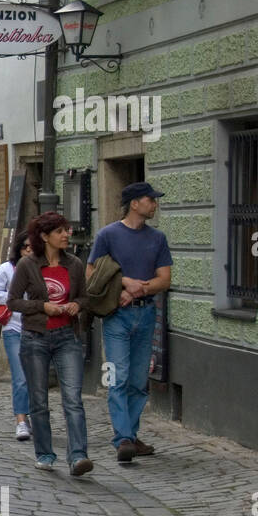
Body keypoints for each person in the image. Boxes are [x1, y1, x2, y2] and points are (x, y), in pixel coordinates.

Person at [87, 182, 173, 463]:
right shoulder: (108, 235)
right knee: (118, 377)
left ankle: (131, 435)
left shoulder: (157, 239)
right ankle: (123, 437)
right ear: (134, 204)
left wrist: (141, 289)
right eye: (151, 200)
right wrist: (123, 283)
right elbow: (92, 274)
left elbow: (165, 279)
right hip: (116, 316)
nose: (155, 204)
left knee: (138, 381)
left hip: (147, 313)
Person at [8, 212, 92, 476]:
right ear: (44, 237)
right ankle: (45, 453)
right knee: (39, 401)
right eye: (60, 231)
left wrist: (77, 304)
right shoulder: (28, 265)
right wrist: (42, 306)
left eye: (66, 230)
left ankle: (78, 456)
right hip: (35, 338)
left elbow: (84, 297)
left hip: (67, 336)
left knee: (73, 399)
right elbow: (13, 302)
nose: (66, 235)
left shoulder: (75, 264)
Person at [0, 230, 33, 440]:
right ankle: (21, 420)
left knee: (35, 378)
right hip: (14, 329)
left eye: (33, 247)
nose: (29, 251)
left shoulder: (43, 268)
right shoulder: (7, 269)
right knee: (21, 377)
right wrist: (14, 298)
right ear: (19, 249)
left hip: (38, 329)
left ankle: (32, 416)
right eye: (26, 247)